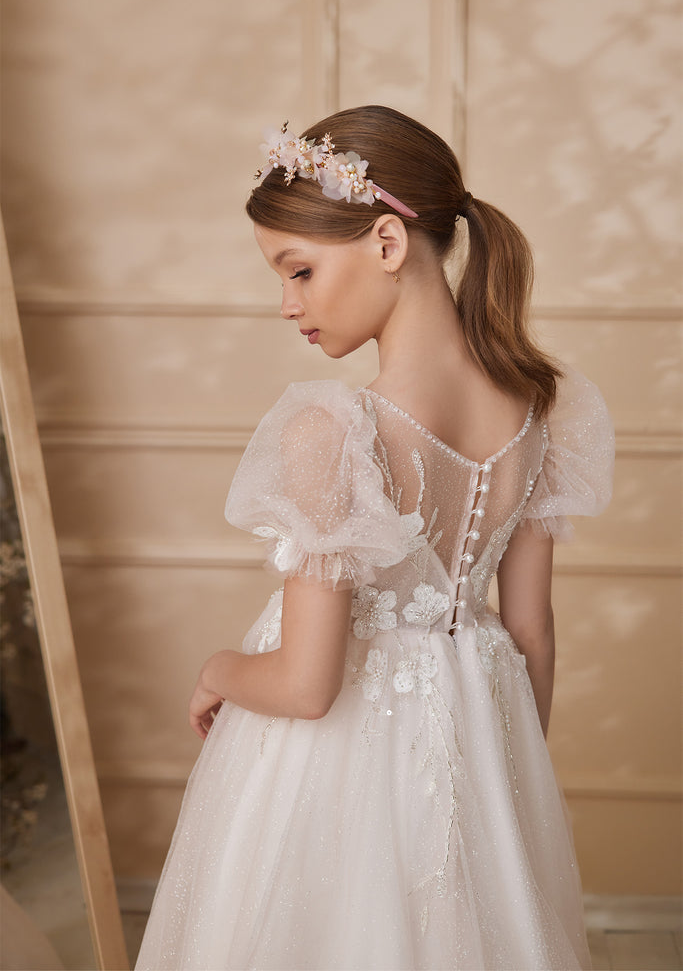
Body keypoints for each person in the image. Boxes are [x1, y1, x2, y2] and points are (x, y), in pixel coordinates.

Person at [135, 105, 614, 970]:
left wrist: (216, 671)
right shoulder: (537, 413)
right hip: (480, 747)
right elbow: (530, 633)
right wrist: (507, 786)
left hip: (335, 777)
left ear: (387, 242)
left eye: (299, 270)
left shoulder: (334, 432)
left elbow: (307, 686)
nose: (287, 305)